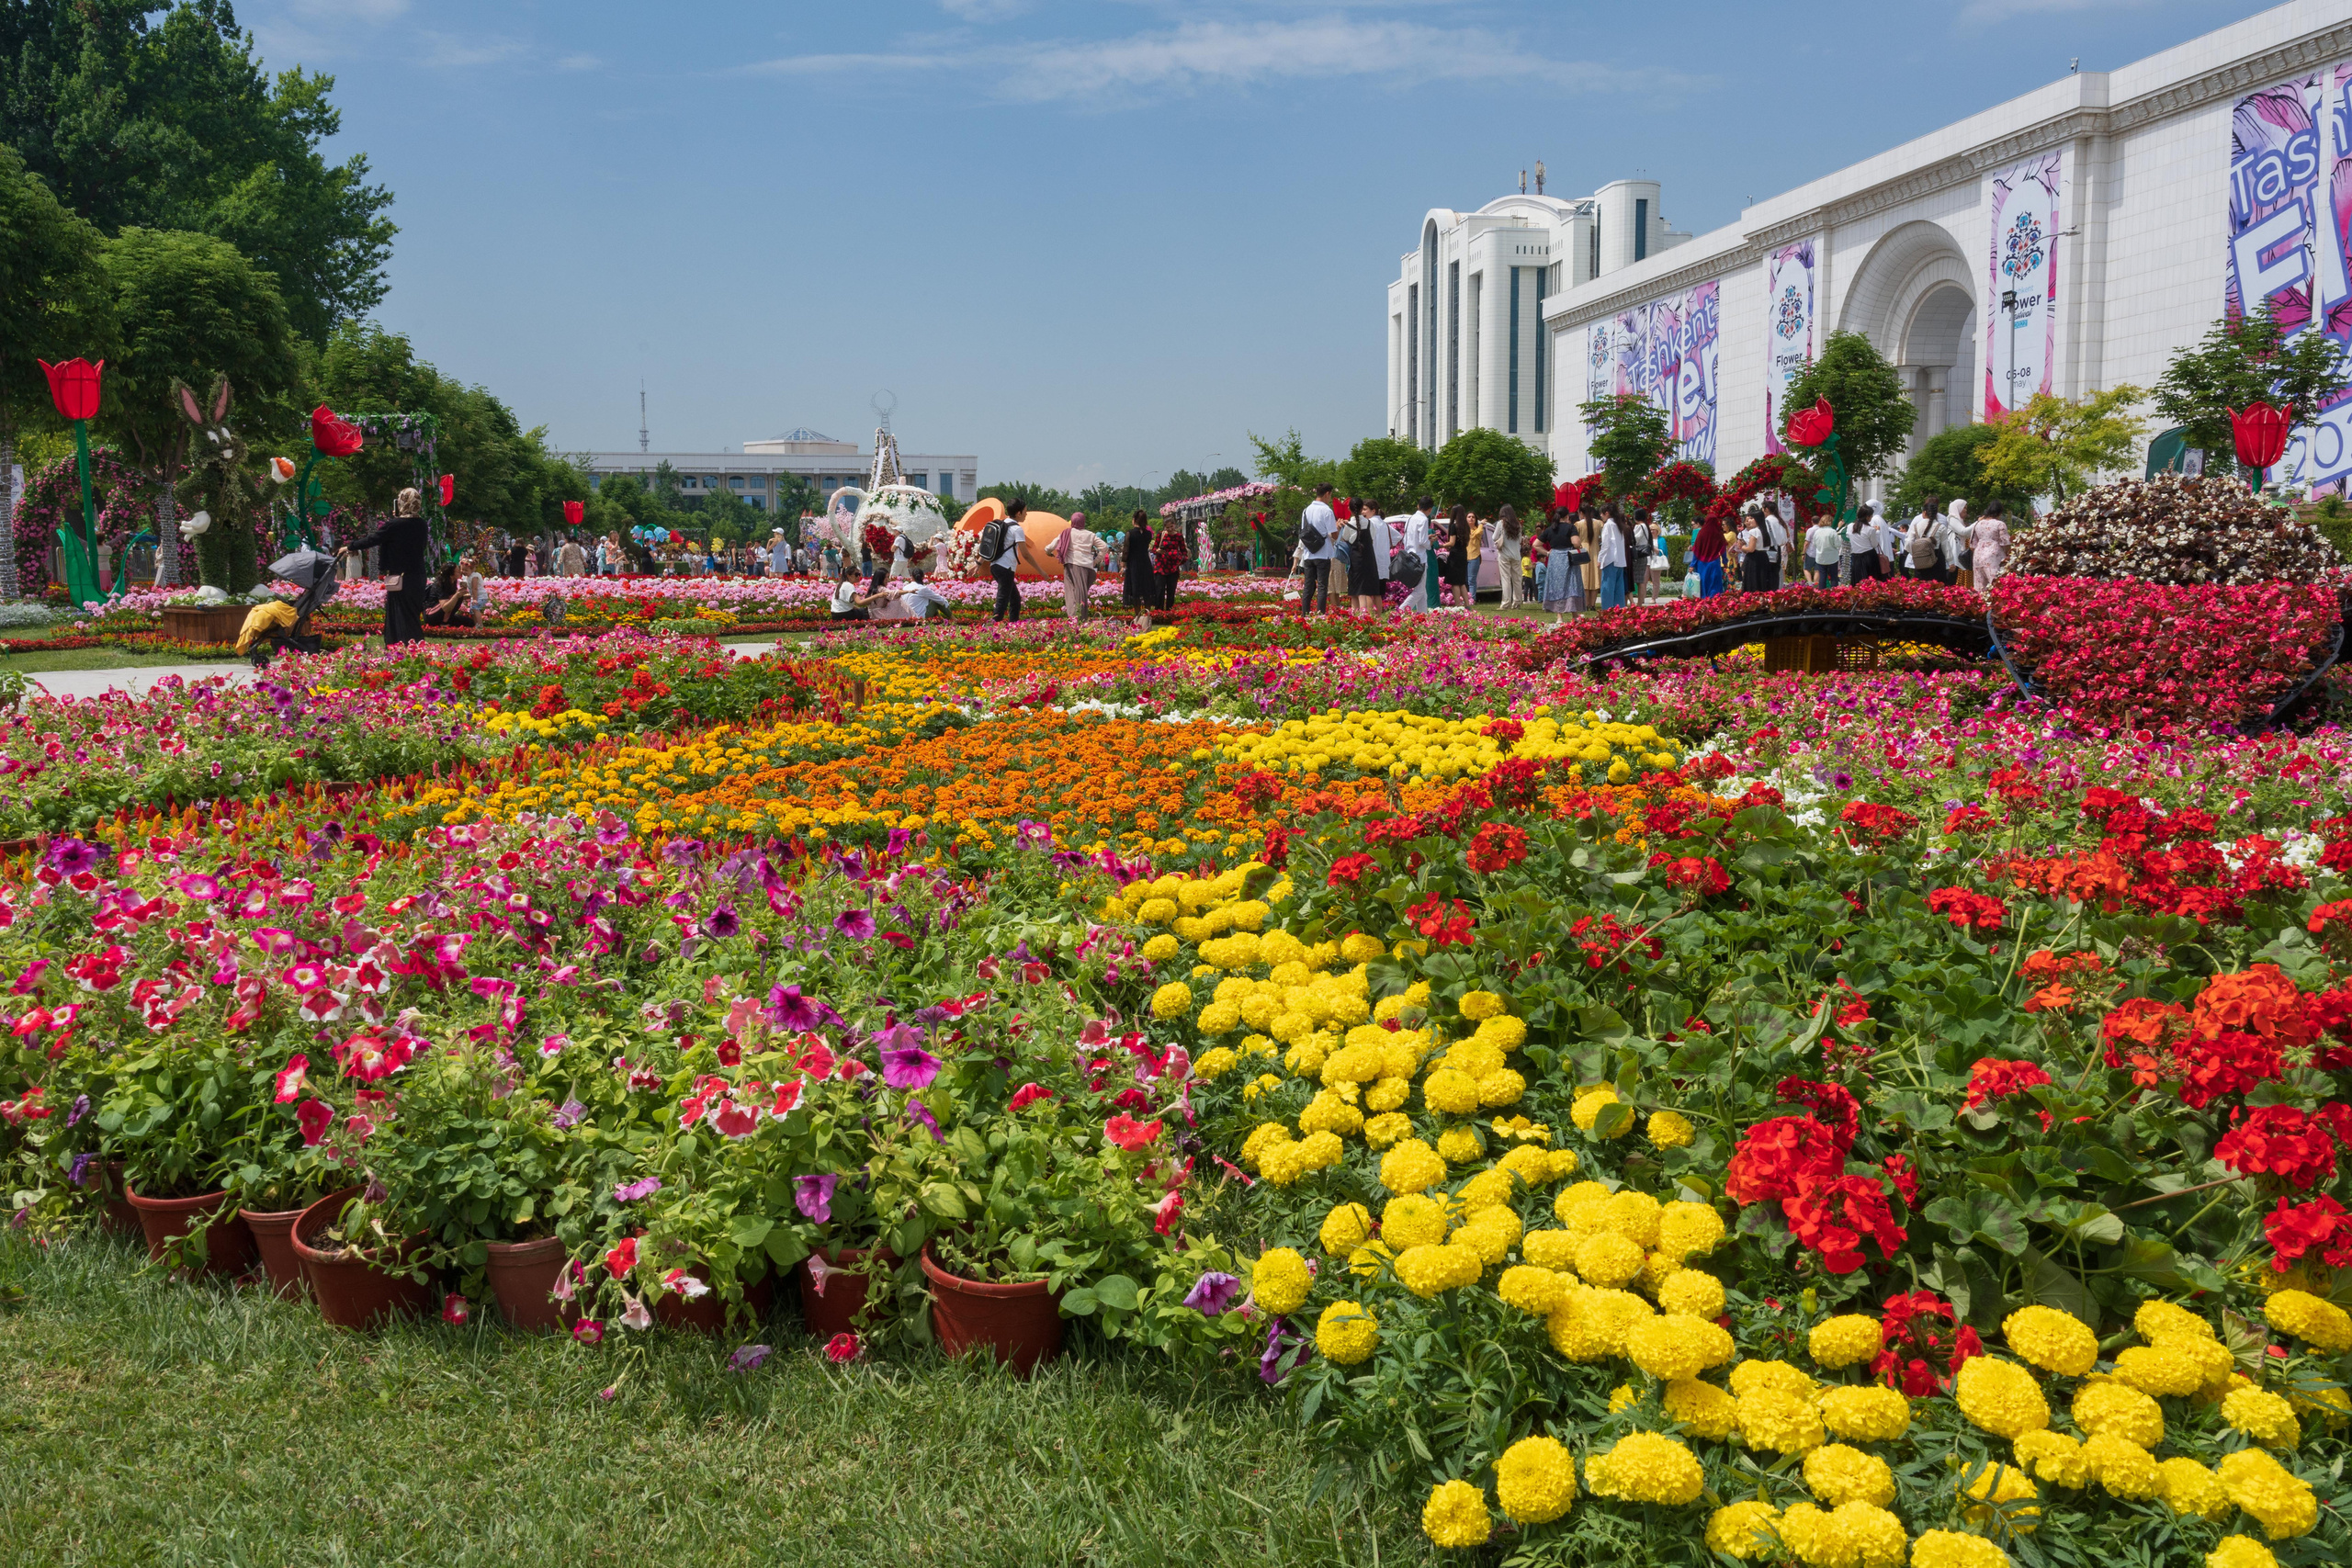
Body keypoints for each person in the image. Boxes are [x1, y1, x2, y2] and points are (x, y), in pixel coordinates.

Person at [341, 487, 430, 645]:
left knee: (399, 614)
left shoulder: (395, 525)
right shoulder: (422, 524)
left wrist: (350, 546)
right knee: (412, 615)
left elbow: (373, 539)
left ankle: (400, 646)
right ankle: (415, 646)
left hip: (400, 577)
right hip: (418, 576)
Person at [1050, 511, 1104, 624]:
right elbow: (1104, 547)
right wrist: (1095, 561)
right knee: (1081, 593)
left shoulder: (1067, 533)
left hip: (1072, 565)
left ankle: (1074, 619)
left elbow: (1050, 546)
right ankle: (1081, 618)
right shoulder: (1090, 534)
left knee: (1071, 592)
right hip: (1087, 567)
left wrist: (1047, 552)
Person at [1298, 483, 1338, 615]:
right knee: (1322, 587)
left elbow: (1304, 531)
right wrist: (1338, 526)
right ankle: (1320, 615)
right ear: (1327, 493)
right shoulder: (1327, 510)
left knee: (1308, 587)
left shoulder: (1306, 510)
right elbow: (1334, 534)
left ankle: (1305, 614)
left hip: (1309, 554)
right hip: (1323, 553)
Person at [1342, 496, 1386, 611]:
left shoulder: (1348, 525)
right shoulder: (1369, 523)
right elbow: (1372, 537)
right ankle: (1374, 617)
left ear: (1349, 509)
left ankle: (1358, 616)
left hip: (1355, 559)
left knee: (1356, 590)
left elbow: (1344, 539)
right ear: (1362, 508)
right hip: (1369, 559)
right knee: (1371, 589)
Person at [991, 498, 1029, 622]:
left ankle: (1013, 626)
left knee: (1015, 600)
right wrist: (1041, 571)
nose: (1026, 514)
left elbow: (992, 544)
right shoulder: (1017, 529)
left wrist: (979, 563)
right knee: (1002, 600)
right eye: (1025, 511)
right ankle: (992, 628)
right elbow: (1026, 554)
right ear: (1018, 513)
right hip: (1006, 567)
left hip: (995, 566)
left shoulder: (1001, 524)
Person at [829, 562, 894, 623]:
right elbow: (860, 602)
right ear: (849, 576)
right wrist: (878, 595)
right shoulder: (849, 585)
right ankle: (866, 625)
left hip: (835, 615)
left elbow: (842, 603)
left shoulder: (841, 584)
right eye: (856, 574)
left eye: (859, 574)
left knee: (860, 610)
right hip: (844, 615)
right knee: (865, 611)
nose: (858, 577)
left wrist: (856, 608)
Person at [1402, 496, 1436, 612]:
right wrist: (1430, 542)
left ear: (1418, 506)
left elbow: (1410, 538)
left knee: (1422, 591)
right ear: (1430, 509)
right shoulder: (1423, 520)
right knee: (1420, 591)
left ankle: (1422, 615)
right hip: (1420, 559)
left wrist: (1426, 538)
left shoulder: (1410, 518)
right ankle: (1401, 610)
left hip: (1409, 556)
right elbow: (1422, 542)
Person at [1967, 502, 2007, 590]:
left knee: (1980, 588)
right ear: (2000, 512)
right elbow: (2005, 543)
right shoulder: (2000, 524)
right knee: (1997, 586)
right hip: (1994, 557)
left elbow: (1972, 544)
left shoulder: (1978, 524)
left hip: (1978, 557)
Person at [423, 558, 474, 628]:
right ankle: (444, 623)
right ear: (451, 575)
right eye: (458, 571)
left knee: (470, 622)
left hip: (444, 614)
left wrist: (471, 596)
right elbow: (445, 608)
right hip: (431, 614)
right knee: (457, 596)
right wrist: (456, 595)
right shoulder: (440, 584)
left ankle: (447, 621)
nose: (461, 572)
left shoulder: (453, 582)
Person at [1492, 504, 1524, 610]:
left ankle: (1506, 603)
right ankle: (1517, 603)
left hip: (1504, 555)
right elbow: (1519, 541)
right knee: (1517, 580)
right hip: (1516, 555)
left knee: (1506, 579)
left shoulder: (1501, 524)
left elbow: (1494, 537)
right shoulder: (1518, 524)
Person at [1691, 512, 1729, 599]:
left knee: (1703, 582)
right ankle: (1714, 601)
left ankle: (1704, 601)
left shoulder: (1701, 533)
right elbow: (1723, 549)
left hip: (1701, 564)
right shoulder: (1718, 533)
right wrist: (1725, 561)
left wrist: (1693, 564)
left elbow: (1696, 550)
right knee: (1714, 582)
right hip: (1714, 563)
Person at [1597, 505, 1628, 609]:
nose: (1601, 516)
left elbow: (1605, 544)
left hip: (1610, 560)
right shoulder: (1619, 525)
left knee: (1607, 589)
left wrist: (1599, 559)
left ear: (1607, 513)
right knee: (1619, 589)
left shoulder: (1608, 525)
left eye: (1601, 513)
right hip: (1620, 561)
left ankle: (1606, 612)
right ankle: (1619, 613)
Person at [1805, 510, 1844, 588]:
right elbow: (1838, 544)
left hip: (1821, 557)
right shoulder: (1832, 532)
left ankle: (1822, 594)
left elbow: (1815, 544)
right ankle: (1834, 594)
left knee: (1822, 576)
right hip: (1832, 557)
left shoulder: (1817, 532)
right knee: (1834, 577)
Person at [1441, 503, 1469, 607]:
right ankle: (1467, 604)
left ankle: (1457, 605)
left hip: (1455, 555)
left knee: (1455, 583)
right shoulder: (1466, 526)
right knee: (1462, 582)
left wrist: (1440, 546)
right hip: (1463, 554)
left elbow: (1452, 543)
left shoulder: (1454, 526)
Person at [1845, 503, 1881, 585]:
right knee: (1870, 581)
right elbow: (1874, 545)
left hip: (1856, 556)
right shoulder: (1870, 529)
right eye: (1871, 516)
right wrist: (1877, 532)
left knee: (1857, 580)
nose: (1871, 518)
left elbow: (1848, 536)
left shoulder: (1850, 526)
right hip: (1869, 556)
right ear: (1867, 516)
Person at [1736, 506, 1768, 592]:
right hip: (1764, 557)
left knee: (1752, 582)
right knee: (1761, 582)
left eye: (1751, 518)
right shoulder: (1764, 530)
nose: (1749, 521)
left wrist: (1742, 547)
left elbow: (1751, 549)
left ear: (1757, 519)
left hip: (1754, 559)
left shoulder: (1754, 531)